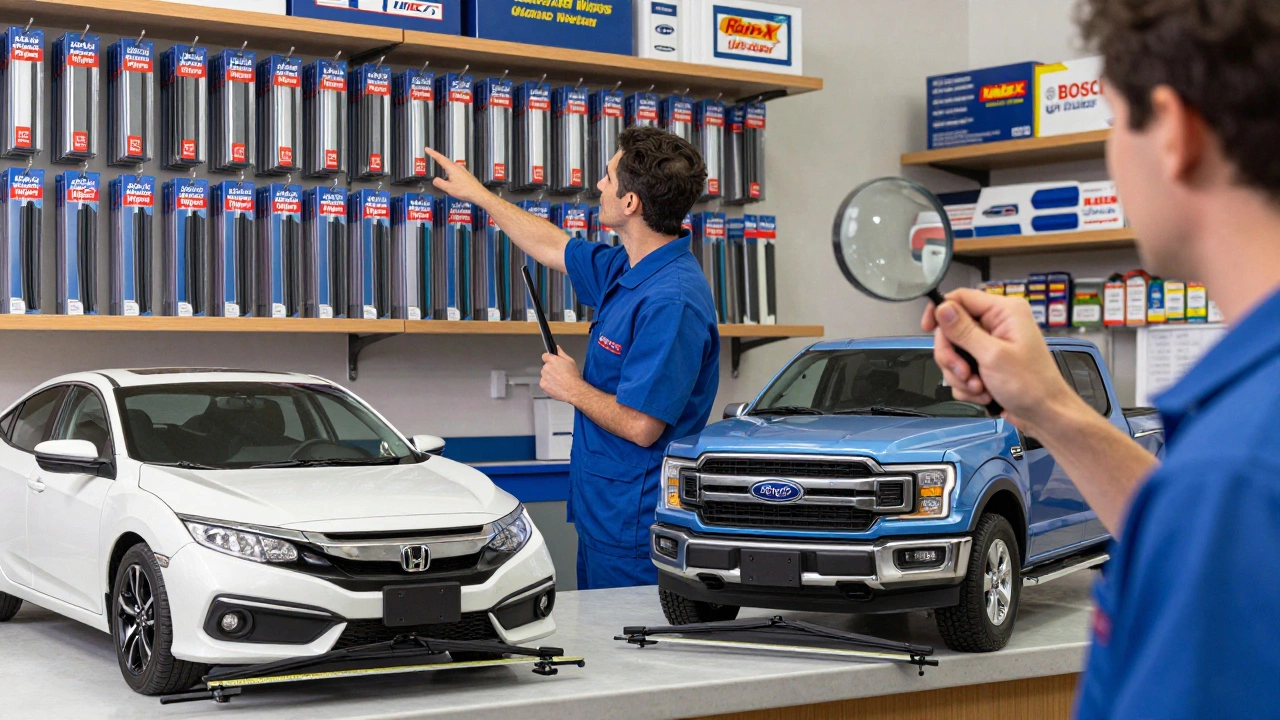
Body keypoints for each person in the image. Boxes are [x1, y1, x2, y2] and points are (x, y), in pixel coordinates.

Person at [922, 1, 1280, 717]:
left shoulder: (1234, 471)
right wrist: (1046, 408)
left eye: (1115, 121)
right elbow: (1176, 529)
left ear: (1174, 133)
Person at [425, 129, 719, 590]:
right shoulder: (628, 269)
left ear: (631, 203)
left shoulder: (671, 301)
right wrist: (479, 194)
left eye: (607, 178)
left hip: (635, 527)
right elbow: (549, 245)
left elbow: (643, 426)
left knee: (629, 653)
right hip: (604, 514)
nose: (598, 186)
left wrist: (572, 388)